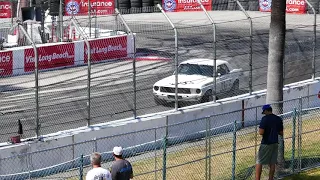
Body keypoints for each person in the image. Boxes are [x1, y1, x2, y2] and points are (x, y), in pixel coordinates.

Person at [255, 104, 284, 180]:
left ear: (266, 111)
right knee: (272, 162)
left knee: (259, 161)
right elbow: (281, 132)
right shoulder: (278, 119)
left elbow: (261, 132)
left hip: (266, 143)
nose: (264, 113)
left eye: (264, 112)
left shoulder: (265, 119)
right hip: (275, 143)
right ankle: (270, 178)